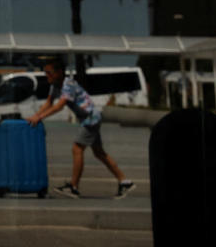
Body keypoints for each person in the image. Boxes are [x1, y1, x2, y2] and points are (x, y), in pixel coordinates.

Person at [27, 57, 135, 199]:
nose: (46, 76)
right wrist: (35, 116)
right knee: (99, 153)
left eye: (49, 73)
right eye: (45, 72)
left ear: (59, 72)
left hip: (90, 119)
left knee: (77, 148)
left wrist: (39, 118)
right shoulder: (55, 85)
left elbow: (59, 106)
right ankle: (124, 182)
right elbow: (49, 102)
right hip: (90, 118)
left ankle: (73, 186)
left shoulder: (68, 84)